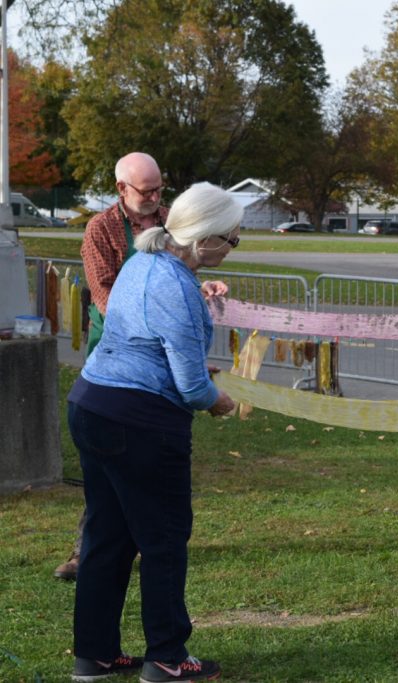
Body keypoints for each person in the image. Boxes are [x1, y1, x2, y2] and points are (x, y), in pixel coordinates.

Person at [67, 182, 241, 683]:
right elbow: (190, 388)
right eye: (231, 240)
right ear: (205, 240)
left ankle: (94, 654)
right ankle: (167, 657)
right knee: (163, 539)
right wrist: (218, 401)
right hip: (140, 423)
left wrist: (191, 375)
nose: (231, 250)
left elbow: (147, 342)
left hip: (91, 404)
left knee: (108, 535)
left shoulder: (142, 261)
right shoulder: (179, 287)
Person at [55, 152, 227, 581]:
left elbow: (179, 274)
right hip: (115, 340)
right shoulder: (101, 229)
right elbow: (106, 294)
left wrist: (198, 291)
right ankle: (88, 549)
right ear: (121, 190)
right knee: (114, 466)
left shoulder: (171, 219)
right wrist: (164, 325)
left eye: (159, 188)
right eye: (145, 190)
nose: (154, 197)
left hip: (160, 338)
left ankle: (131, 541)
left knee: (142, 464)